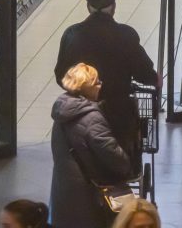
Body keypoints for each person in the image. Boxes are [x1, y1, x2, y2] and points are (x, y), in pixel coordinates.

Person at [55, 0, 157, 159]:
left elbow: (61, 76)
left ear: (88, 7)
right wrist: (155, 79)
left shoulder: (71, 34)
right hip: (118, 113)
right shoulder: (126, 35)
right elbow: (144, 74)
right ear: (114, 7)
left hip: (79, 114)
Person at [50, 63, 132, 228]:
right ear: (86, 87)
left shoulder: (62, 112)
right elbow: (111, 153)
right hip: (88, 196)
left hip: (63, 190)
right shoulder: (91, 118)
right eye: (97, 82)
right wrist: (126, 164)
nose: (100, 86)